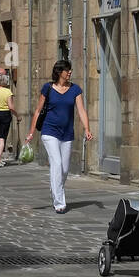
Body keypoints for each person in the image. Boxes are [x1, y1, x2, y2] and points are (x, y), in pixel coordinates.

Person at [26, 60, 92, 213]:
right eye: (67, 70)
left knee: (64, 169)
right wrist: (31, 133)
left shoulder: (75, 89)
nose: (70, 72)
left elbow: (81, 110)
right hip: (49, 131)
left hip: (67, 133)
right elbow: (38, 111)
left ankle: (55, 187)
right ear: (59, 72)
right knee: (56, 163)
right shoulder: (47, 88)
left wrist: (87, 129)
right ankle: (59, 203)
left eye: (70, 69)